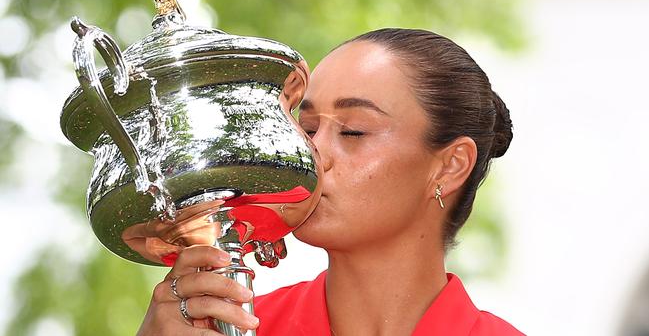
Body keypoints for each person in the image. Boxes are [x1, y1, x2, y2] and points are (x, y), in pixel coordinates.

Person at [137, 28, 524, 336]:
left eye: (353, 131)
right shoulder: (229, 327)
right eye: (305, 128)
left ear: (450, 167)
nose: (310, 152)